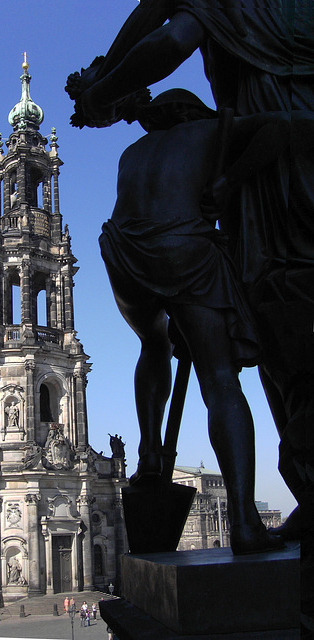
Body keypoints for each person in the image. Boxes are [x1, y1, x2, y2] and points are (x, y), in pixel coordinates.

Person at [67, 0, 314, 545]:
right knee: (221, 379)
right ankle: (246, 522)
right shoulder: (210, 134)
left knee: (152, 346)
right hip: (184, 247)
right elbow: (283, 128)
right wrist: (229, 180)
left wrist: (103, 83)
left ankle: (152, 457)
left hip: (124, 251)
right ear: (191, 115)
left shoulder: (133, 153)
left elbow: (150, 20)